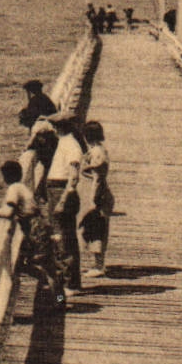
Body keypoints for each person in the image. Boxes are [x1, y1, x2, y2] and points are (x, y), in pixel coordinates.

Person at [0, 159, 64, 305]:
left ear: (6, 176)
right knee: (47, 268)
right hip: (40, 226)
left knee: (46, 270)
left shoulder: (14, 189)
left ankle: (59, 301)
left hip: (35, 230)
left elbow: (9, 212)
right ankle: (59, 299)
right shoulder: (21, 187)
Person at [44, 115, 85, 294]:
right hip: (55, 190)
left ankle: (70, 284)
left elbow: (73, 177)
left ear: (58, 128)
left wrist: (62, 201)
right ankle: (65, 282)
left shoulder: (71, 145)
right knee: (60, 236)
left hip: (61, 192)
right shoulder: (65, 142)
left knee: (63, 238)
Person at [79, 121, 113, 277]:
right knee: (93, 228)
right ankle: (96, 264)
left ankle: (99, 266)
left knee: (96, 229)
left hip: (98, 195)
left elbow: (97, 178)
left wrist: (93, 200)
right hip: (95, 194)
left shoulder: (97, 152)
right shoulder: (96, 149)